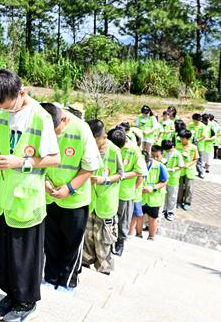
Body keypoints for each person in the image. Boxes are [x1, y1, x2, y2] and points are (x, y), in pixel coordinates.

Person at [0, 70, 60, 322]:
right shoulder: (0, 114)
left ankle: (27, 302)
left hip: (27, 200)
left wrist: (21, 162)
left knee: (25, 256)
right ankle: (11, 295)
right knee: (7, 255)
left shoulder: (41, 118)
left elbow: (54, 158)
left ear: (22, 93)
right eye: (2, 108)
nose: (7, 112)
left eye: (11, 107)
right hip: (3, 197)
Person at [41, 103, 100, 295]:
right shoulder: (41, 124)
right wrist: (46, 183)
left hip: (75, 200)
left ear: (64, 120)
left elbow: (90, 167)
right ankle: (49, 278)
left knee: (71, 243)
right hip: (50, 196)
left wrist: (68, 189)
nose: (54, 136)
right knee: (50, 241)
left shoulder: (82, 130)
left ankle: (67, 282)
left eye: (56, 131)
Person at [82, 123, 125, 275]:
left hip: (106, 203)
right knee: (88, 237)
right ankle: (85, 263)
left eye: (96, 140)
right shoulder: (88, 147)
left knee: (103, 240)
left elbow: (121, 174)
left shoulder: (114, 151)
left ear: (104, 137)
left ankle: (103, 270)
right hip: (90, 200)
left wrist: (104, 180)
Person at [113, 124, 147, 257]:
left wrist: (122, 176)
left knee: (123, 219)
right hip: (109, 190)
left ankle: (120, 242)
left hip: (125, 191)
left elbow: (140, 172)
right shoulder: (113, 145)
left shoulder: (134, 149)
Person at [141, 145, 169, 240]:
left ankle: (151, 236)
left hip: (154, 198)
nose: (155, 158)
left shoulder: (160, 166)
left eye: (157, 156)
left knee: (153, 218)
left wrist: (153, 188)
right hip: (142, 197)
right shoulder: (140, 165)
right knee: (140, 216)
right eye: (153, 156)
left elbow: (165, 181)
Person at [161, 139, 184, 221]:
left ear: (172, 147)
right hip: (164, 177)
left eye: (168, 150)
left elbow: (181, 166)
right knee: (164, 194)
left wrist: (172, 169)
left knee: (172, 196)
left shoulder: (177, 154)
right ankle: (164, 209)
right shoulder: (164, 152)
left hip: (173, 178)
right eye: (166, 150)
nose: (167, 151)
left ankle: (171, 211)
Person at [177, 129, 198, 210]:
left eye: (183, 138)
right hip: (180, 170)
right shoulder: (178, 146)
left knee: (189, 187)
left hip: (190, 170)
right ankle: (178, 201)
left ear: (188, 138)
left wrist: (189, 164)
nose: (181, 140)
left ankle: (187, 202)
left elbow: (196, 159)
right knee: (180, 187)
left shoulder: (194, 147)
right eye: (181, 138)